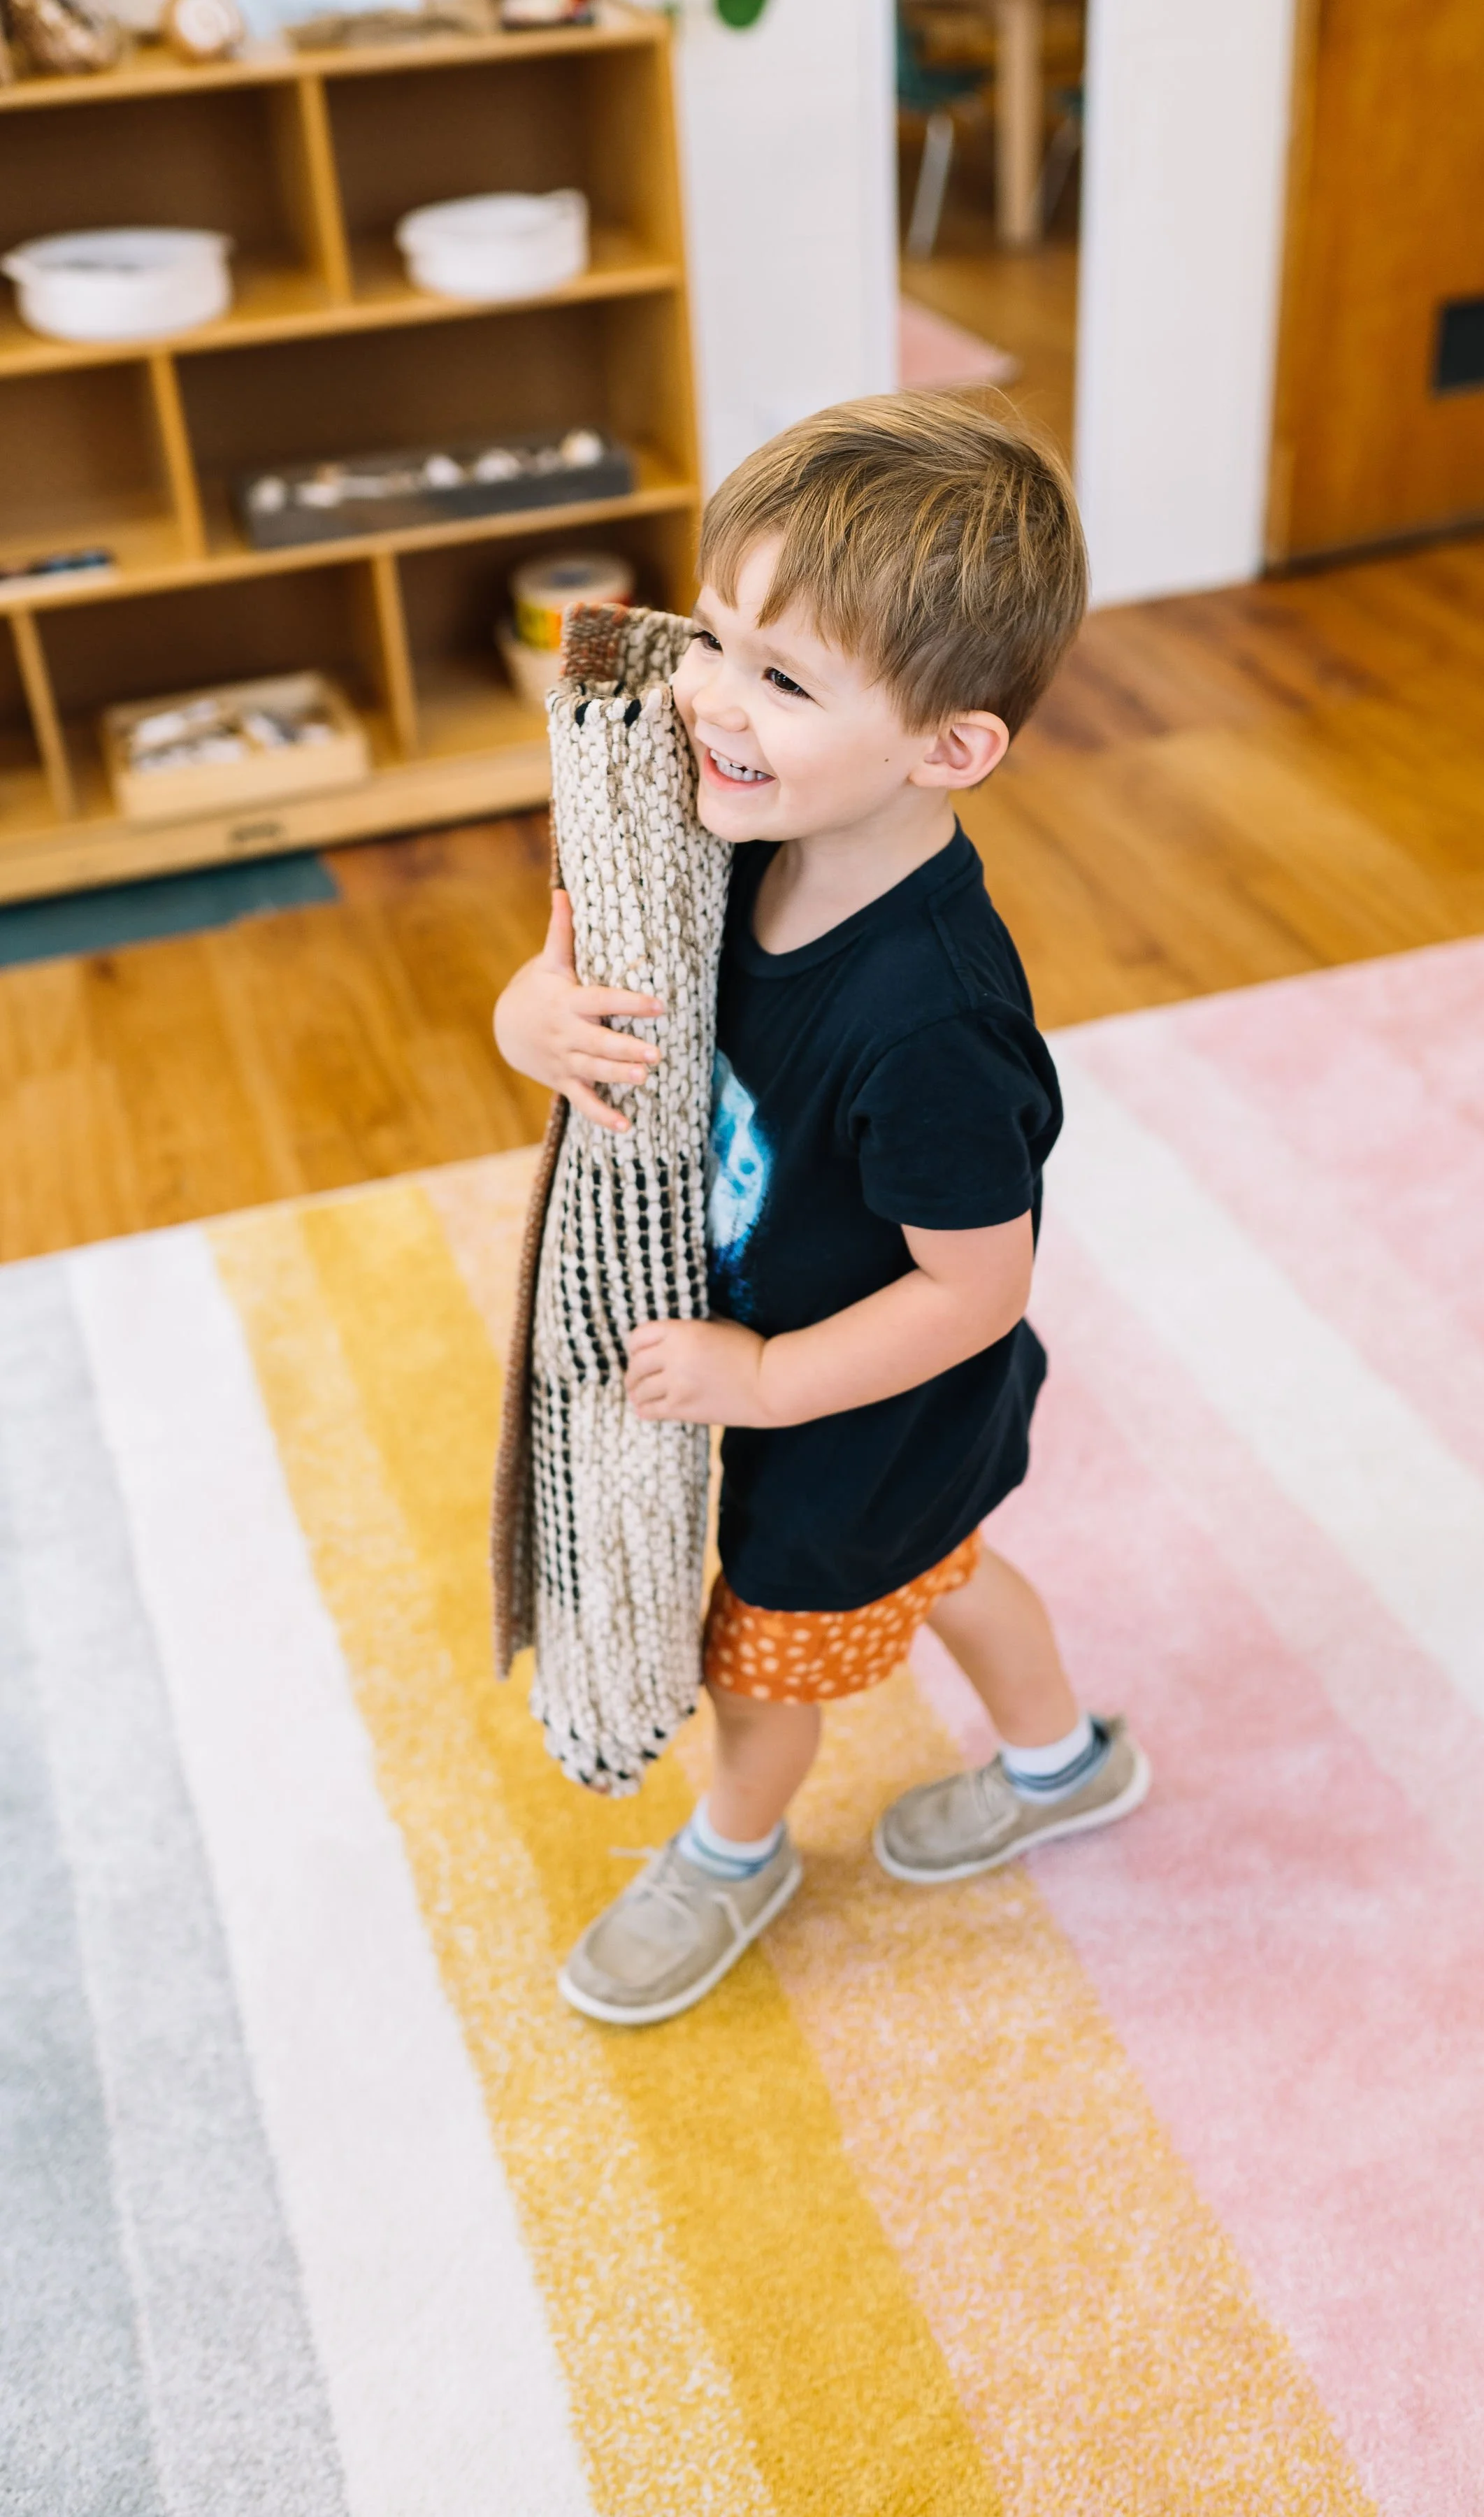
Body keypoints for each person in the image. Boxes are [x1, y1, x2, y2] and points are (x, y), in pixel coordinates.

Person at [494, 392, 1149, 2028]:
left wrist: (764, 1385)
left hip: (863, 1404)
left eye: (783, 682)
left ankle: (736, 1847)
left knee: (761, 1653)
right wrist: (529, 1018)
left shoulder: (931, 1022)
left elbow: (977, 1288)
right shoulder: (731, 841)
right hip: (804, 1350)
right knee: (952, 1577)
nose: (710, 699)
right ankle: (1064, 1761)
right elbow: (572, 973)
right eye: (717, 638)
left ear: (951, 748)